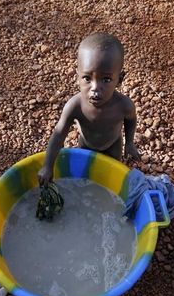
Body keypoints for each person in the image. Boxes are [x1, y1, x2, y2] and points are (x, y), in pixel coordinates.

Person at [38, 32, 140, 186]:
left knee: (109, 178)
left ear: (119, 79)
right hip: (86, 144)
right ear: (77, 75)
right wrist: (47, 166)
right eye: (87, 78)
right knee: (84, 179)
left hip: (113, 145)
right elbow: (58, 135)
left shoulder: (123, 105)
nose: (95, 88)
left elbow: (131, 120)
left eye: (106, 79)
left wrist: (130, 143)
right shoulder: (75, 105)